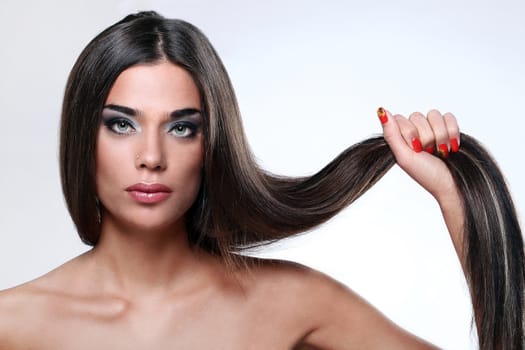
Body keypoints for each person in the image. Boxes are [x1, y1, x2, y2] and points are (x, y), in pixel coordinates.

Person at [0, 11, 522, 349]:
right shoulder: (13, 323)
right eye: (122, 124)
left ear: (211, 147)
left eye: (182, 128)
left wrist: (454, 193)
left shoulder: (293, 302)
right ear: (81, 140)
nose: (151, 156)